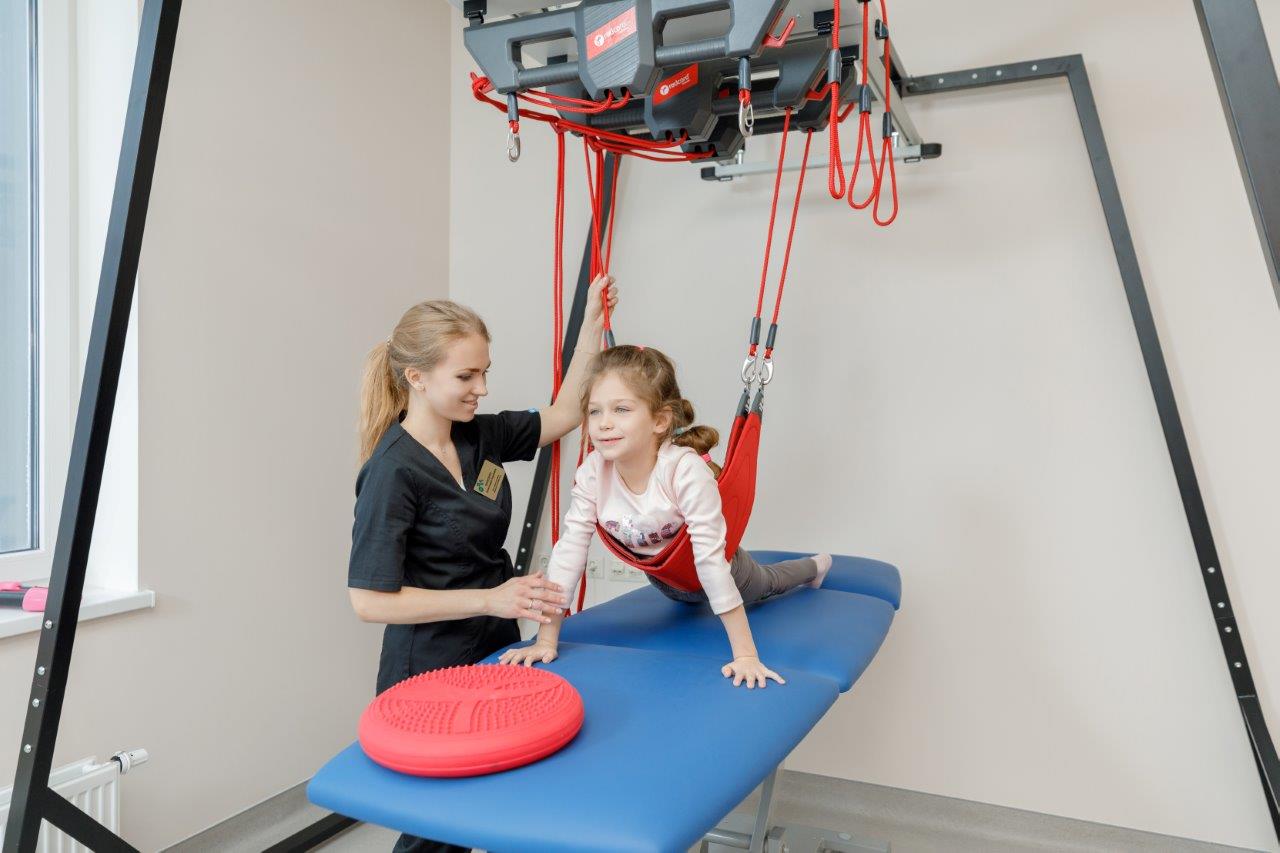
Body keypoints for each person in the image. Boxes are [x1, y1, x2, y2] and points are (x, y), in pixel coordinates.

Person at [347, 276, 617, 853]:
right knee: (436, 830)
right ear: (416, 377)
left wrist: (593, 323)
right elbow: (368, 601)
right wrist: (493, 598)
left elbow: (566, 412)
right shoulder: (392, 471)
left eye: (484, 372)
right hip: (430, 664)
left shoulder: (478, 436)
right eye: (467, 376)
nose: (482, 389)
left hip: (496, 646)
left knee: (494, 801)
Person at [500, 344, 832, 687]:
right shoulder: (592, 474)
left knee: (768, 583)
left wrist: (746, 656)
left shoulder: (684, 471)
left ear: (660, 420)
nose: (604, 423)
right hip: (666, 581)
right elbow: (569, 552)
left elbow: (710, 560)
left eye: (621, 409)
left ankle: (815, 566)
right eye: (595, 411)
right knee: (683, 597)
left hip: (725, 571)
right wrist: (546, 640)